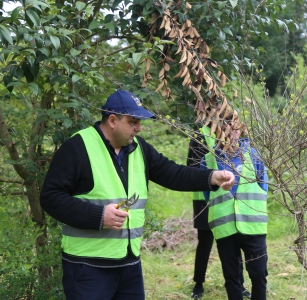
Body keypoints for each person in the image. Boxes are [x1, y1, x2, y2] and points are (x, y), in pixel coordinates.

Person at [40, 90, 235, 300]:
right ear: (113, 120)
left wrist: (212, 177)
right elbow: (50, 197)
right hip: (87, 267)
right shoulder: (77, 148)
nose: (139, 128)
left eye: (140, 122)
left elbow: (173, 174)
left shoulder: (139, 148)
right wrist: (98, 215)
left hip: (129, 265)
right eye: (133, 122)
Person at [200, 118, 269, 300]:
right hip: (225, 228)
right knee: (231, 277)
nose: (231, 133)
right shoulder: (207, 161)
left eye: (235, 129)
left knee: (259, 274)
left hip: (253, 226)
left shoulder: (254, 156)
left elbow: (264, 187)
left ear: (241, 131)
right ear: (216, 132)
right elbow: (207, 196)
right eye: (225, 129)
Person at [187, 125, 251, 299]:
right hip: (204, 198)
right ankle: (198, 284)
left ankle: (240, 284)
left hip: (229, 197)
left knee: (234, 242)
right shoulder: (200, 135)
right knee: (205, 243)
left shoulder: (232, 131)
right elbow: (191, 167)